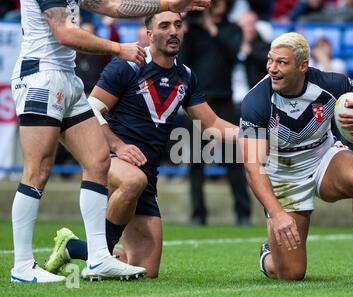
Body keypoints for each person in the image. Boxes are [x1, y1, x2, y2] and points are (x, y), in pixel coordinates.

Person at [9, 0, 211, 283]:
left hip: (67, 76)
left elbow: (114, 6)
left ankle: (98, 258)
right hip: (41, 75)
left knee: (99, 162)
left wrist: (169, 3)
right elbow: (65, 34)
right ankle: (22, 266)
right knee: (38, 170)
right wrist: (118, 48)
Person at [44, 11, 238, 279]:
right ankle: (99, 258)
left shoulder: (187, 77)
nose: (173, 31)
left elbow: (212, 124)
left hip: (147, 175)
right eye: (165, 25)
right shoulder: (127, 65)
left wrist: (253, 135)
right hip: (111, 160)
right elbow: (91, 111)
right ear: (149, 35)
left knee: (146, 271)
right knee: (134, 180)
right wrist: (119, 145)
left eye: (178, 25)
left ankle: (75, 248)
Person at [239, 32, 353, 280]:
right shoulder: (254, 102)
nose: (272, 69)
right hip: (284, 176)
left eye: (281, 62)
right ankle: (268, 255)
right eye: (270, 61)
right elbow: (253, 167)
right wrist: (277, 214)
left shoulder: (329, 83)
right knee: (290, 274)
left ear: (302, 66)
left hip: (323, 157)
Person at [181, 0, 252, 226]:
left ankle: (243, 214)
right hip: (197, 103)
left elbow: (234, 54)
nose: (218, 4)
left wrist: (213, 30)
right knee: (195, 163)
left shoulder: (233, 30)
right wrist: (187, 29)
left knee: (233, 161)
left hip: (224, 101)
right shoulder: (193, 31)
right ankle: (198, 215)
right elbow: (183, 62)